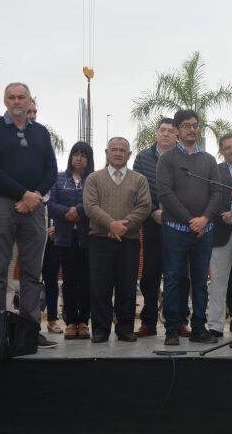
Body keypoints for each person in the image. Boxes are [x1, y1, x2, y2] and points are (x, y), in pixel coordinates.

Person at [0, 82, 58, 349]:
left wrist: (34, 196)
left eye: (21, 97)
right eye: (12, 97)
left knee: (32, 273)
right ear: (5, 101)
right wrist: (24, 194)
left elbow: (51, 170)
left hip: (34, 208)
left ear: (28, 101)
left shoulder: (41, 132)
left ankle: (30, 331)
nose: (17, 101)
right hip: (2, 204)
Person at [156, 110, 221, 346]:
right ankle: (172, 329)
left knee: (201, 282)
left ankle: (198, 328)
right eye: (186, 126)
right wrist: (190, 220)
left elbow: (217, 191)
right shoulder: (167, 159)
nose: (191, 130)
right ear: (176, 131)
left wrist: (204, 219)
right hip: (174, 230)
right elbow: (165, 193)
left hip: (204, 231)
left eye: (195, 125)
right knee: (173, 279)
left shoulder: (209, 159)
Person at [83, 137, 151, 342]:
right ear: (106, 152)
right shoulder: (94, 178)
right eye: (114, 149)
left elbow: (145, 207)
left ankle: (125, 329)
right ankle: (100, 330)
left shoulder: (139, 179)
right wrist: (111, 225)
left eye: (123, 150)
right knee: (100, 287)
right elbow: (90, 206)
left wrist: (123, 226)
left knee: (127, 287)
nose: (118, 153)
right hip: (99, 240)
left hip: (128, 241)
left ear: (129, 155)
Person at [132, 118, 191, 338]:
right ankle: (148, 322)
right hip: (152, 221)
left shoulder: (185, 156)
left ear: (177, 134)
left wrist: (174, 213)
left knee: (180, 274)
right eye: (162, 130)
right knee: (150, 273)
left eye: (170, 131)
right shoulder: (143, 157)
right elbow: (138, 190)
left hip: (179, 222)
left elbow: (187, 189)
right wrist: (153, 211)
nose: (166, 134)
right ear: (156, 133)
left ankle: (179, 321)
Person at [48, 141, 94, 340]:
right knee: (68, 281)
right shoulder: (58, 178)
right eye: (76, 154)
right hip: (65, 238)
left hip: (88, 238)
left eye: (83, 155)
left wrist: (79, 210)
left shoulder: (93, 179)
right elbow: (50, 203)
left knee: (86, 281)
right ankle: (71, 322)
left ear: (89, 159)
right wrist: (67, 212)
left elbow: (95, 202)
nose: (79, 158)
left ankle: (83, 321)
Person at [207, 133, 232, 337]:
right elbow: (209, 199)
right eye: (227, 147)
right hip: (219, 234)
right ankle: (214, 326)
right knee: (218, 282)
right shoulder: (215, 171)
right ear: (221, 150)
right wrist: (222, 216)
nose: (231, 150)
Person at [40, 223, 61, 333]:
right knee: (31, 279)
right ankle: (32, 320)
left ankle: (52, 319)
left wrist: (57, 227)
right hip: (33, 233)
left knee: (51, 278)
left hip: (53, 237)